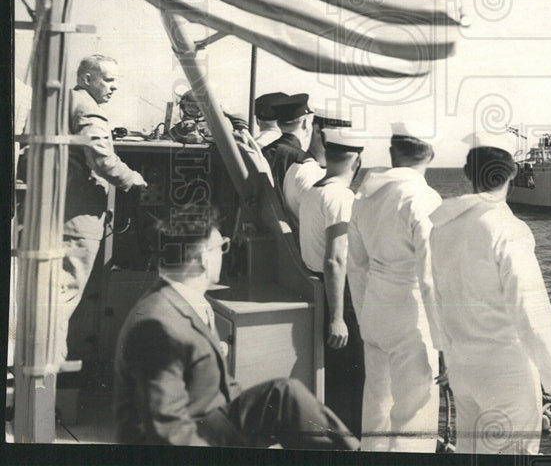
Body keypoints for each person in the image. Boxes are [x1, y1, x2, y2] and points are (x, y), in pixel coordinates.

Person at [113, 207, 358, 449]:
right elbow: (168, 432)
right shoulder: (157, 327)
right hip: (191, 433)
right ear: (203, 259)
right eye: (222, 247)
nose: (225, 254)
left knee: (284, 394)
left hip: (210, 419)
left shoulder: (181, 301)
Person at [428, 132, 551, 455]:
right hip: (507, 376)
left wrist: (446, 355)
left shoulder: (442, 228)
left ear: (467, 174)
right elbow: (532, 315)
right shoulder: (510, 230)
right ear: (513, 172)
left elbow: (435, 298)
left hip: (463, 371)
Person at [347, 121, 442, 452]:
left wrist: (363, 316)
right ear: (431, 152)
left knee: (376, 410)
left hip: (374, 310)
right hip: (410, 317)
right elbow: (430, 276)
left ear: (392, 153)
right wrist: (444, 339)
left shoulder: (365, 196)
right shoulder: (425, 199)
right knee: (414, 415)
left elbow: (356, 266)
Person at [61, 55, 147, 366]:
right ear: (85, 78)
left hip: (57, 210)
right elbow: (100, 157)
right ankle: (48, 390)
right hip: (76, 218)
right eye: (108, 80)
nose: (114, 87)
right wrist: (133, 180)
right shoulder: (87, 107)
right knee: (63, 297)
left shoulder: (63, 102)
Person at [298, 127, 366, 437]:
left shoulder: (315, 190)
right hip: (341, 295)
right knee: (351, 383)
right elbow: (335, 259)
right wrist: (338, 318)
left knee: (337, 381)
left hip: (321, 288)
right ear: (357, 161)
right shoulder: (341, 197)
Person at [261, 93, 324, 228]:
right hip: (292, 239)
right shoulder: (303, 162)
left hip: (268, 229)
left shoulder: (264, 153)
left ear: (278, 123)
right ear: (306, 123)